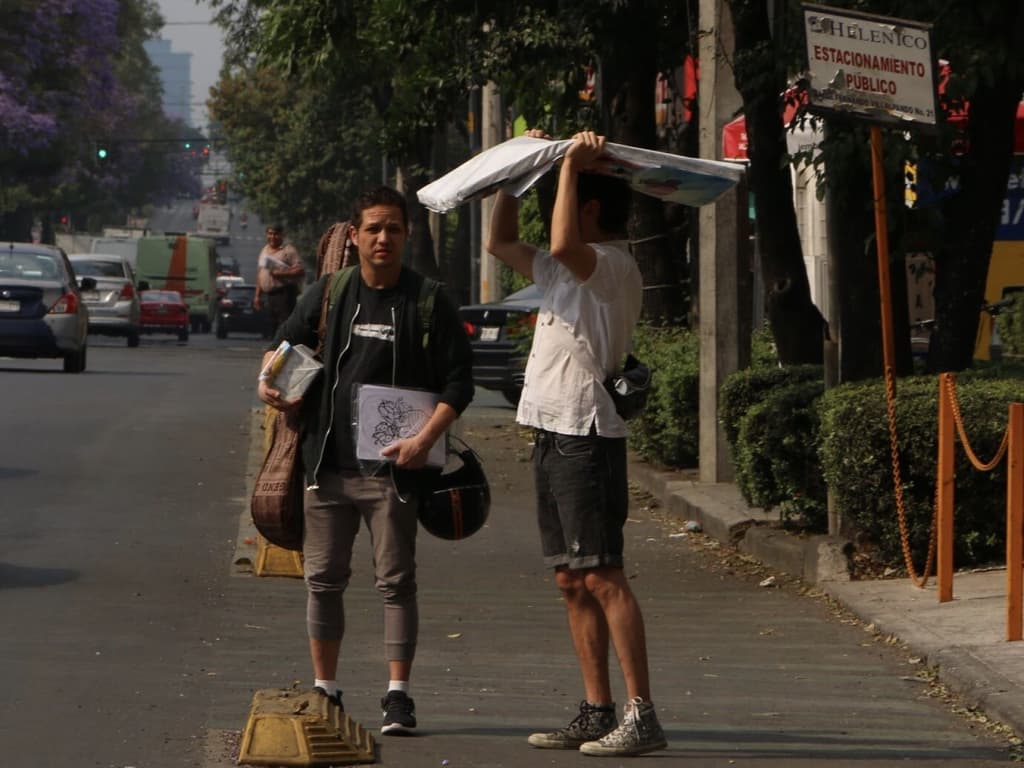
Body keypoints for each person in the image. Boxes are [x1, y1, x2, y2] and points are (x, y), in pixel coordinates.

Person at [257, 186, 474, 735]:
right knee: (323, 579)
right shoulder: (331, 292)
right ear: (354, 236)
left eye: (393, 229)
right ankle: (325, 687)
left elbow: (459, 382)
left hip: (394, 470)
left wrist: (425, 440)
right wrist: (271, 382)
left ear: (405, 235)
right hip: (326, 466)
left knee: (396, 581)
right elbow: (281, 347)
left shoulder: (428, 300)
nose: (383, 238)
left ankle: (398, 695)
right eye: (373, 228)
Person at [486, 129, 667, 757]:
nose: (552, 216)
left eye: (564, 196)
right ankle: (597, 709)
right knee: (570, 578)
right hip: (551, 430)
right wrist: (517, 171)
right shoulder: (560, 271)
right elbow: (499, 241)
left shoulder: (611, 265)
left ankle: (642, 714)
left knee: (603, 575)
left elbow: (562, 239)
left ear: (590, 208)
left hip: (587, 435)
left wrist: (567, 162)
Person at [254, 223, 305, 333]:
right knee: (272, 325)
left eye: (276, 234)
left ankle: (284, 348)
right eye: (270, 234)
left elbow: (300, 270)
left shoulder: (288, 250)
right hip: (270, 295)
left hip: (284, 293)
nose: (272, 237)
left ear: (282, 235)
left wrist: (281, 274)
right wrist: (257, 296)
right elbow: (260, 273)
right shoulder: (264, 250)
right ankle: (275, 349)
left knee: (284, 326)